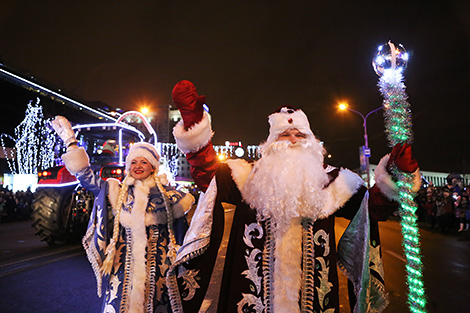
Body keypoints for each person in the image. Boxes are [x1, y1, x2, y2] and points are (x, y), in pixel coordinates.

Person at [166, 80, 421, 313]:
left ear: (312, 141)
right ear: (270, 143)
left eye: (300, 135)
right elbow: (206, 172)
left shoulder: (337, 182)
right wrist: (193, 123)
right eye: (284, 135)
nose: (292, 140)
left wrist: (396, 177)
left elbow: (373, 210)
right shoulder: (247, 177)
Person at [51, 116, 194, 313]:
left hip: (159, 274)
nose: (138, 166)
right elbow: (87, 178)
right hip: (122, 271)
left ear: (153, 166)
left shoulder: (172, 197)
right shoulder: (117, 191)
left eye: (144, 162)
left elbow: (183, 235)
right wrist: (71, 142)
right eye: (133, 162)